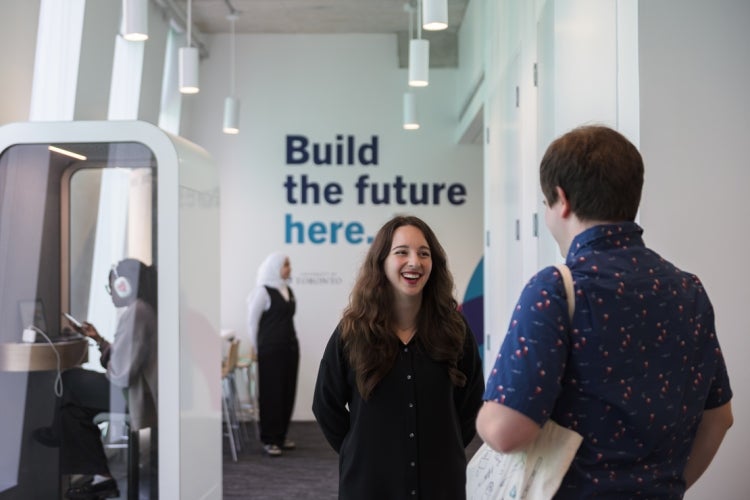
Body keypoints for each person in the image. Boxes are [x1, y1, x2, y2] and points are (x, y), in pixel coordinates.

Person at [476, 125, 734, 498]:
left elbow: (505, 430)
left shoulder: (556, 289)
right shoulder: (689, 290)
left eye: (544, 203)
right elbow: (720, 419)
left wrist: (483, 417)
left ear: (560, 200)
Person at [312, 215, 484, 500]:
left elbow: (470, 403)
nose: (414, 262)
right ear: (382, 262)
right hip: (369, 485)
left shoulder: (455, 330)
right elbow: (325, 403)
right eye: (401, 252)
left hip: (440, 484)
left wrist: (445, 445)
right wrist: (358, 449)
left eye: (424, 253)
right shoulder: (352, 331)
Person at [35, 258, 158, 499]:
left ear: (124, 285)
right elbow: (126, 357)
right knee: (71, 412)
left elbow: (121, 374)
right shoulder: (141, 309)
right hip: (134, 389)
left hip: (131, 394)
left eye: (110, 285)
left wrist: (108, 362)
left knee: (70, 379)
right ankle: (102, 478)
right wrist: (99, 339)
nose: (110, 291)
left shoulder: (137, 312)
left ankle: (57, 434)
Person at [246, 252, 300, 457]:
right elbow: (252, 323)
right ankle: (269, 438)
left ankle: (281, 435)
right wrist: (258, 348)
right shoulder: (262, 292)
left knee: (287, 391)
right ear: (274, 267)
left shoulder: (288, 290)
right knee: (271, 394)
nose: (289, 268)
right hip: (270, 350)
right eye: (286, 265)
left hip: (290, 347)